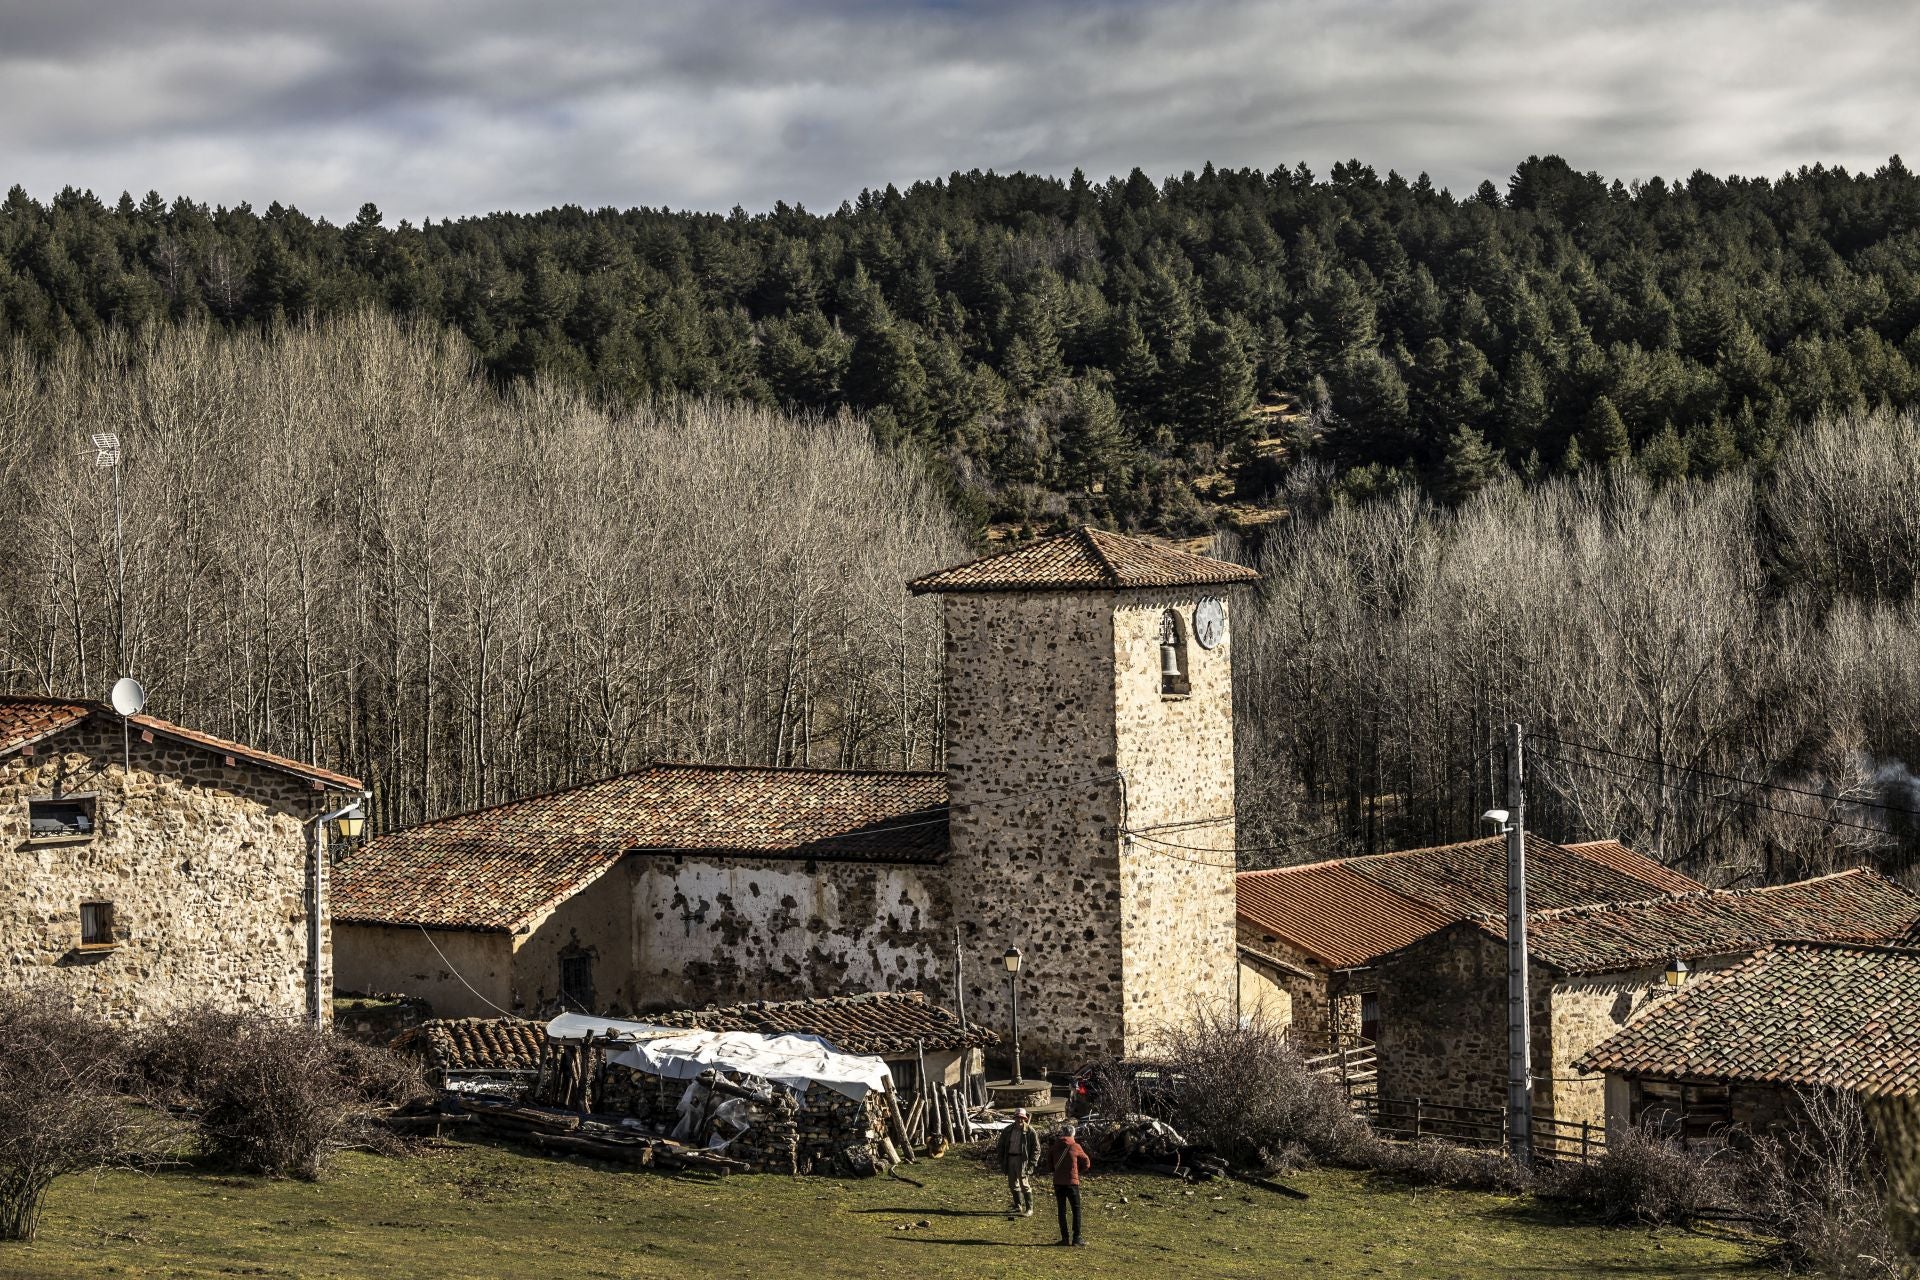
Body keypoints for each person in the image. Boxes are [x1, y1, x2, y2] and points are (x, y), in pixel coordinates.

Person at [1048, 1120, 1092, 1246]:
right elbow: (1087, 1162)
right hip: (1072, 1182)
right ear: (1072, 1134)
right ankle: (1077, 1238)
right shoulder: (1075, 1146)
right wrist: (1079, 1172)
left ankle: (1065, 1238)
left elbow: (1049, 1165)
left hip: (1058, 1182)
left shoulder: (1054, 1146)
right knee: (1076, 1209)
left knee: (1062, 1210)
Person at [993, 1108, 1039, 1217]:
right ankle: (1018, 1206)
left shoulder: (1030, 1131)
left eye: (1022, 1118)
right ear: (1015, 1118)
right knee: (1012, 1183)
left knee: (1024, 1184)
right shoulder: (1008, 1130)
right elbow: (1001, 1145)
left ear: (1025, 1118)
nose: (1020, 1120)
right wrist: (1001, 1158)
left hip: (1022, 1159)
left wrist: (1032, 1163)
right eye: (1018, 1117)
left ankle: (1029, 1209)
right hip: (1010, 1158)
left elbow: (1037, 1149)